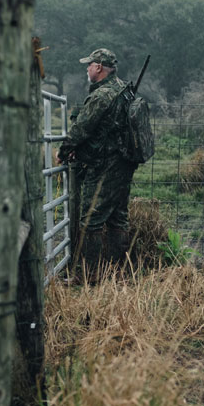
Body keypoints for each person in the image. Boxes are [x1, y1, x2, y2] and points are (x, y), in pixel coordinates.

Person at [57, 48, 137, 277]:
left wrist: (64, 151)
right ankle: (118, 271)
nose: (87, 68)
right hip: (124, 162)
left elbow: (82, 127)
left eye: (90, 65)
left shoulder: (102, 95)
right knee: (118, 217)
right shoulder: (124, 89)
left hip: (104, 164)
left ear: (99, 67)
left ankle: (88, 275)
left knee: (91, 220)